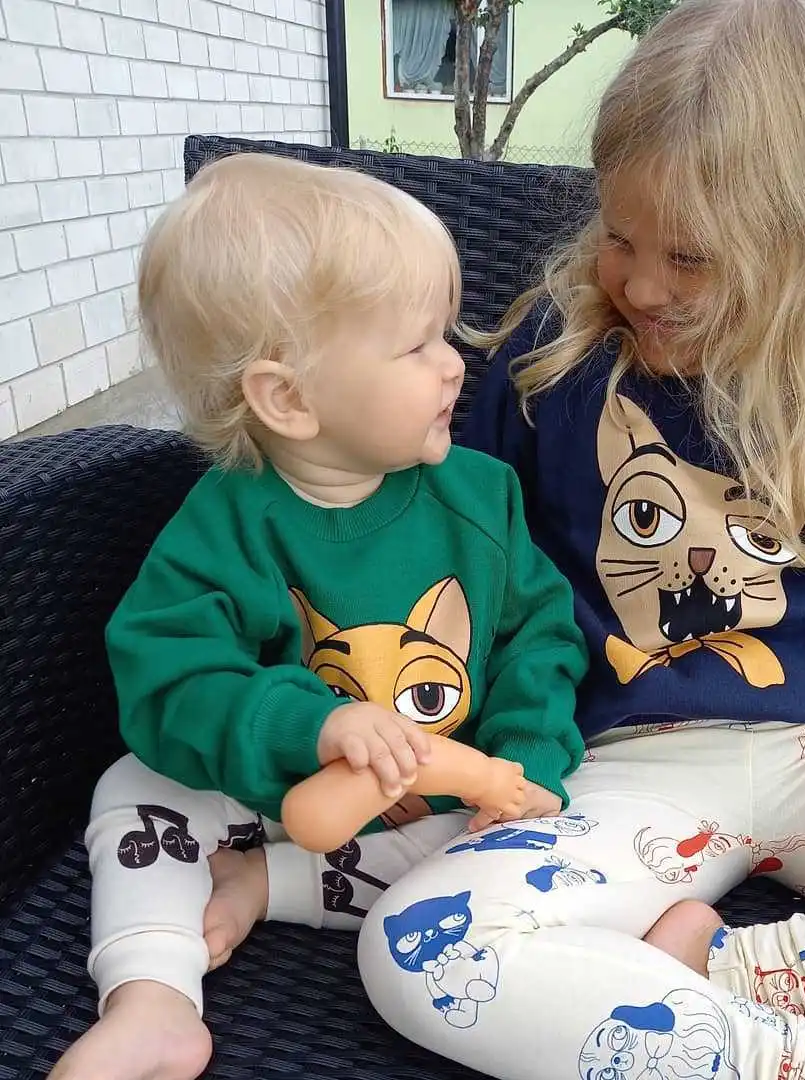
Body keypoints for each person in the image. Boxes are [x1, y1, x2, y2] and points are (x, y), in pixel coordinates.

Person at [356, 1, 805, 1078]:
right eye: (619, 238)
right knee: (420, 950)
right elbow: (468, 574)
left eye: (689, 258)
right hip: (622, 765)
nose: (641, 284)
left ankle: (735, 972)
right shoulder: (553, 359)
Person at [49, 152, 588, 1080]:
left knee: (516, 858)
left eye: (445, 334)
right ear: (290, 398)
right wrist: (313, 724)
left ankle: (270, 887)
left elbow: (538, 638)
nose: (453, 363)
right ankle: (153, 993)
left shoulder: (480, 497)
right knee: (132, 789)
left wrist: (523, 762)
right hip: (261, 793)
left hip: (433, 808)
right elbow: (168, 680)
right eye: (417, 346)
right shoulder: (227, 523)